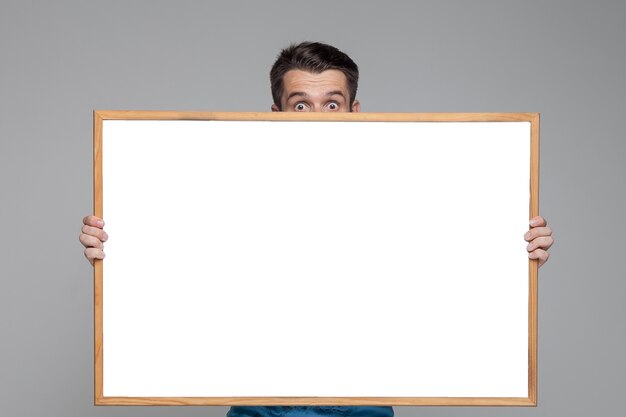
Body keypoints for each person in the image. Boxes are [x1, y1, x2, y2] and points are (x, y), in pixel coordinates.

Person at [79, 42, 554, 417]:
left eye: (332, 103)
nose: (317, 115)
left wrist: (514, 251)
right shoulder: (222, 188)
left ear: (355, 111)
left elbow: (446, 269)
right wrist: (117, 249)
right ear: (275, 114)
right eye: (301, 105)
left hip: (362, 403)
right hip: (257, 403)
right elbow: (183, 266)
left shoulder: (408, 191)